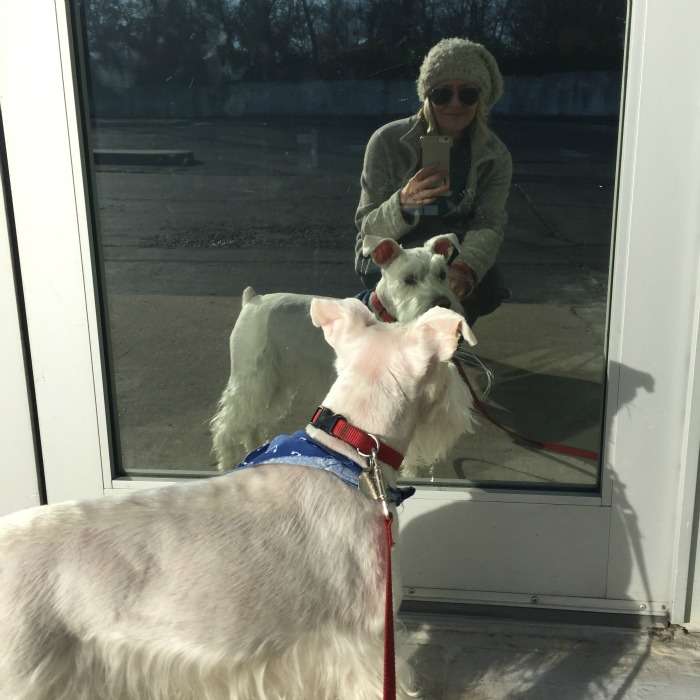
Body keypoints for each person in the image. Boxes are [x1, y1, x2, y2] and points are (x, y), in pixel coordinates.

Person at [355, 37, 512, 325]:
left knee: (486, 288)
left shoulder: (494, 155)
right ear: (427, 96)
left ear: (481, 98)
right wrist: (402, 204)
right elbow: (368, 229)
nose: (455, 104)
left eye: (468, 94)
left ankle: (450, 339)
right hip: (396, 248)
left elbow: (488, 224)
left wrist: (465, 269)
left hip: (450, 249)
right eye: (442, 94)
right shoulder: (387, 141)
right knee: (408, 289)